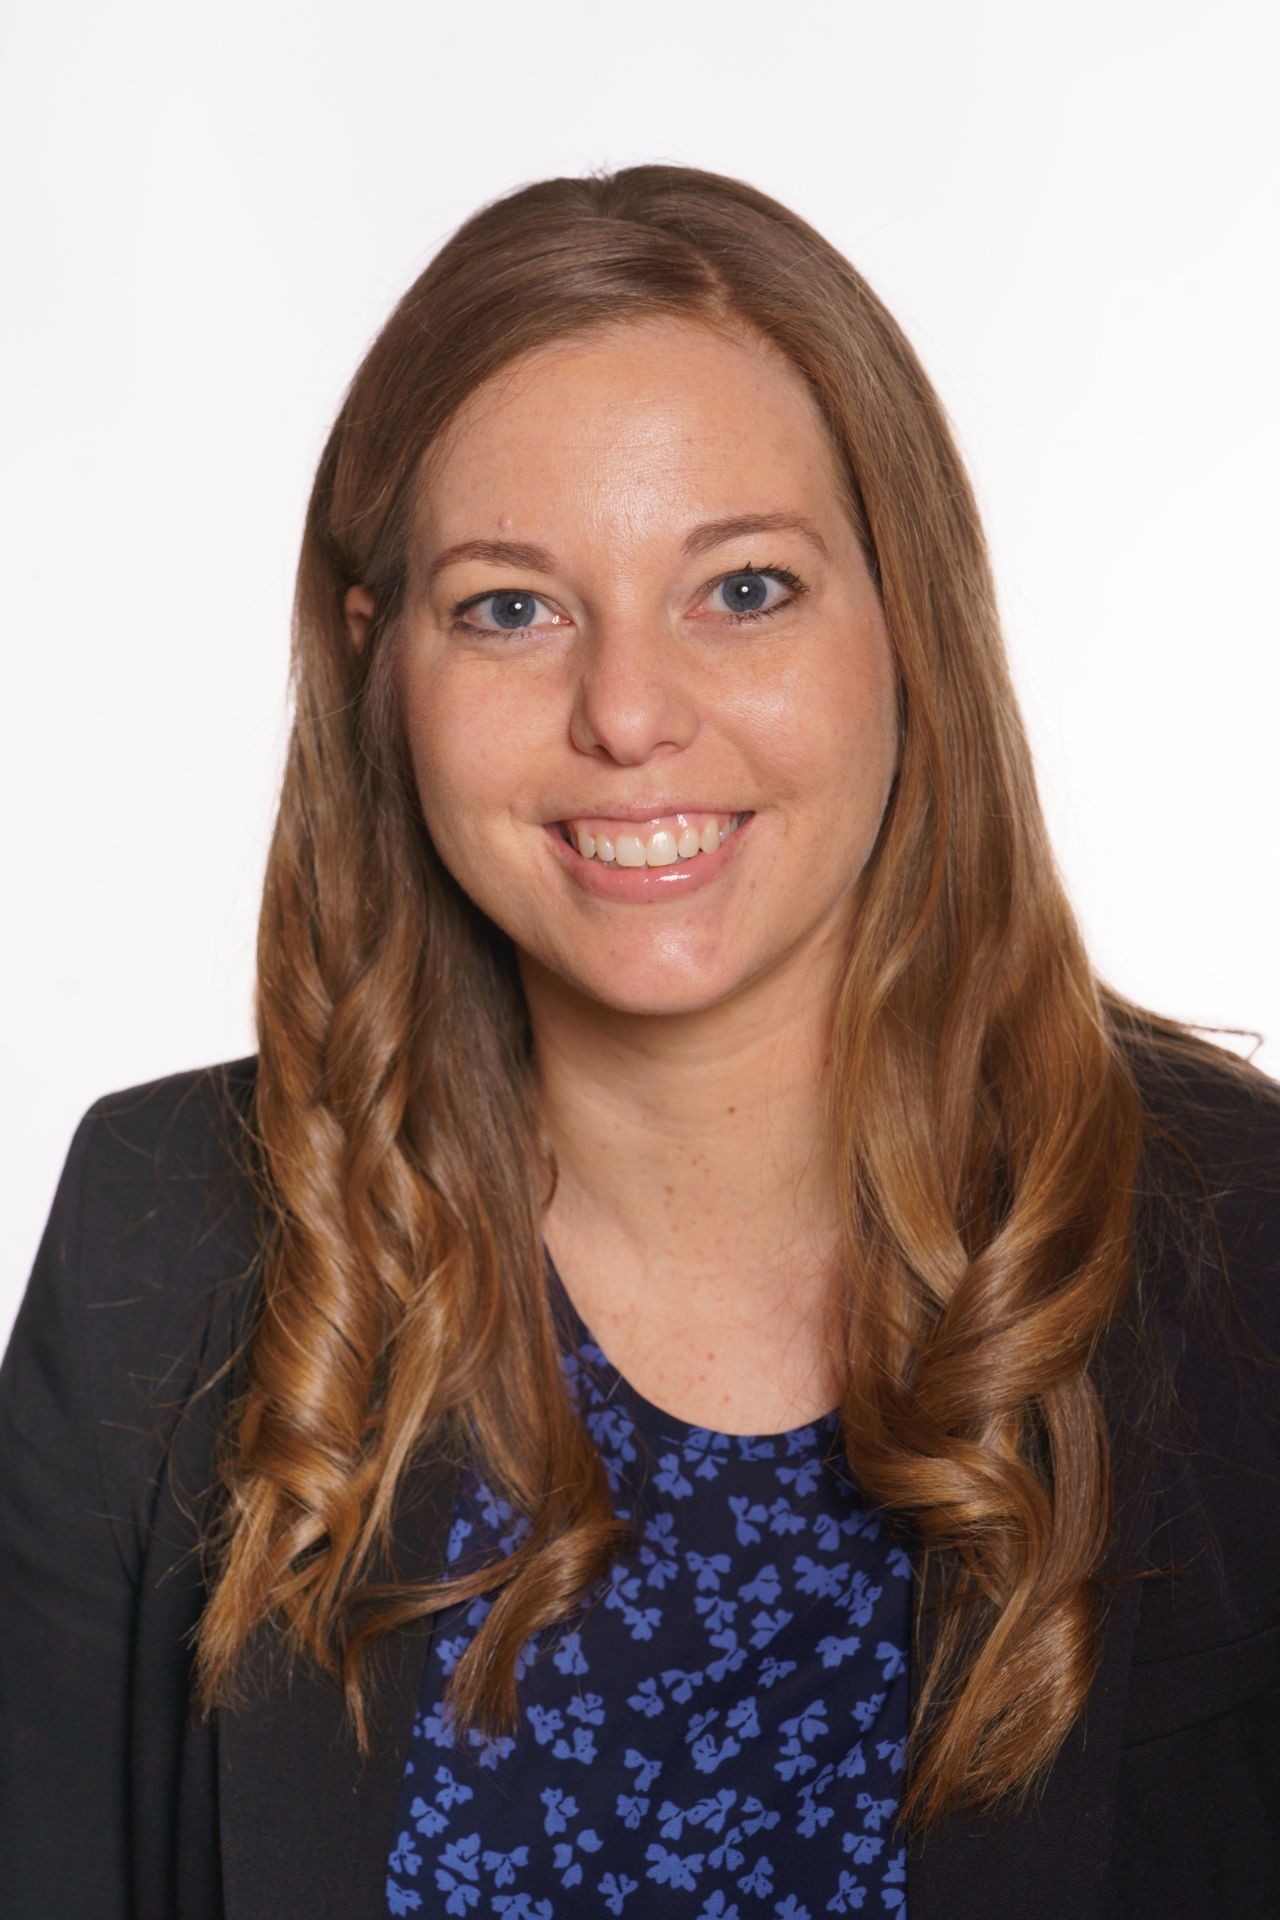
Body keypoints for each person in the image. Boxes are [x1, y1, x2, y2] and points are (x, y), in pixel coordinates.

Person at [1, 162, 1277, 1920]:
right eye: (510, 608)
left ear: (910, 621)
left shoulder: (1244, 1243)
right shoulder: (163, 1239)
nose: (625, 713)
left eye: (743, 589)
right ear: (380, 665)